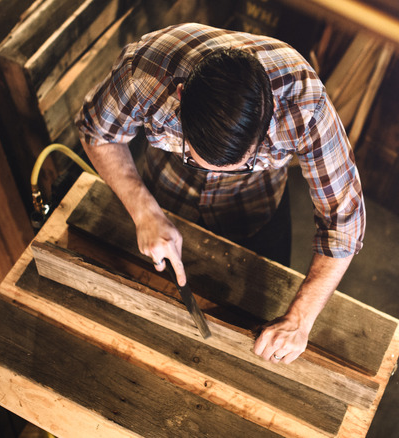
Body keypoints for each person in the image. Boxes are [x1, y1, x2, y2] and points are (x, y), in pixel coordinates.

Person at [76, 23, 365, 364]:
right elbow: (97, 132)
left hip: (256, 214)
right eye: (199, 158)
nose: (214, 175)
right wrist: (143, 210)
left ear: (267, 119)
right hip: (167, 199)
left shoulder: (304, 105)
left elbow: (342, 221)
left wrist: (300, 318)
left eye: (234, 165)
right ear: (180, 98)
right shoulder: (143, 73)